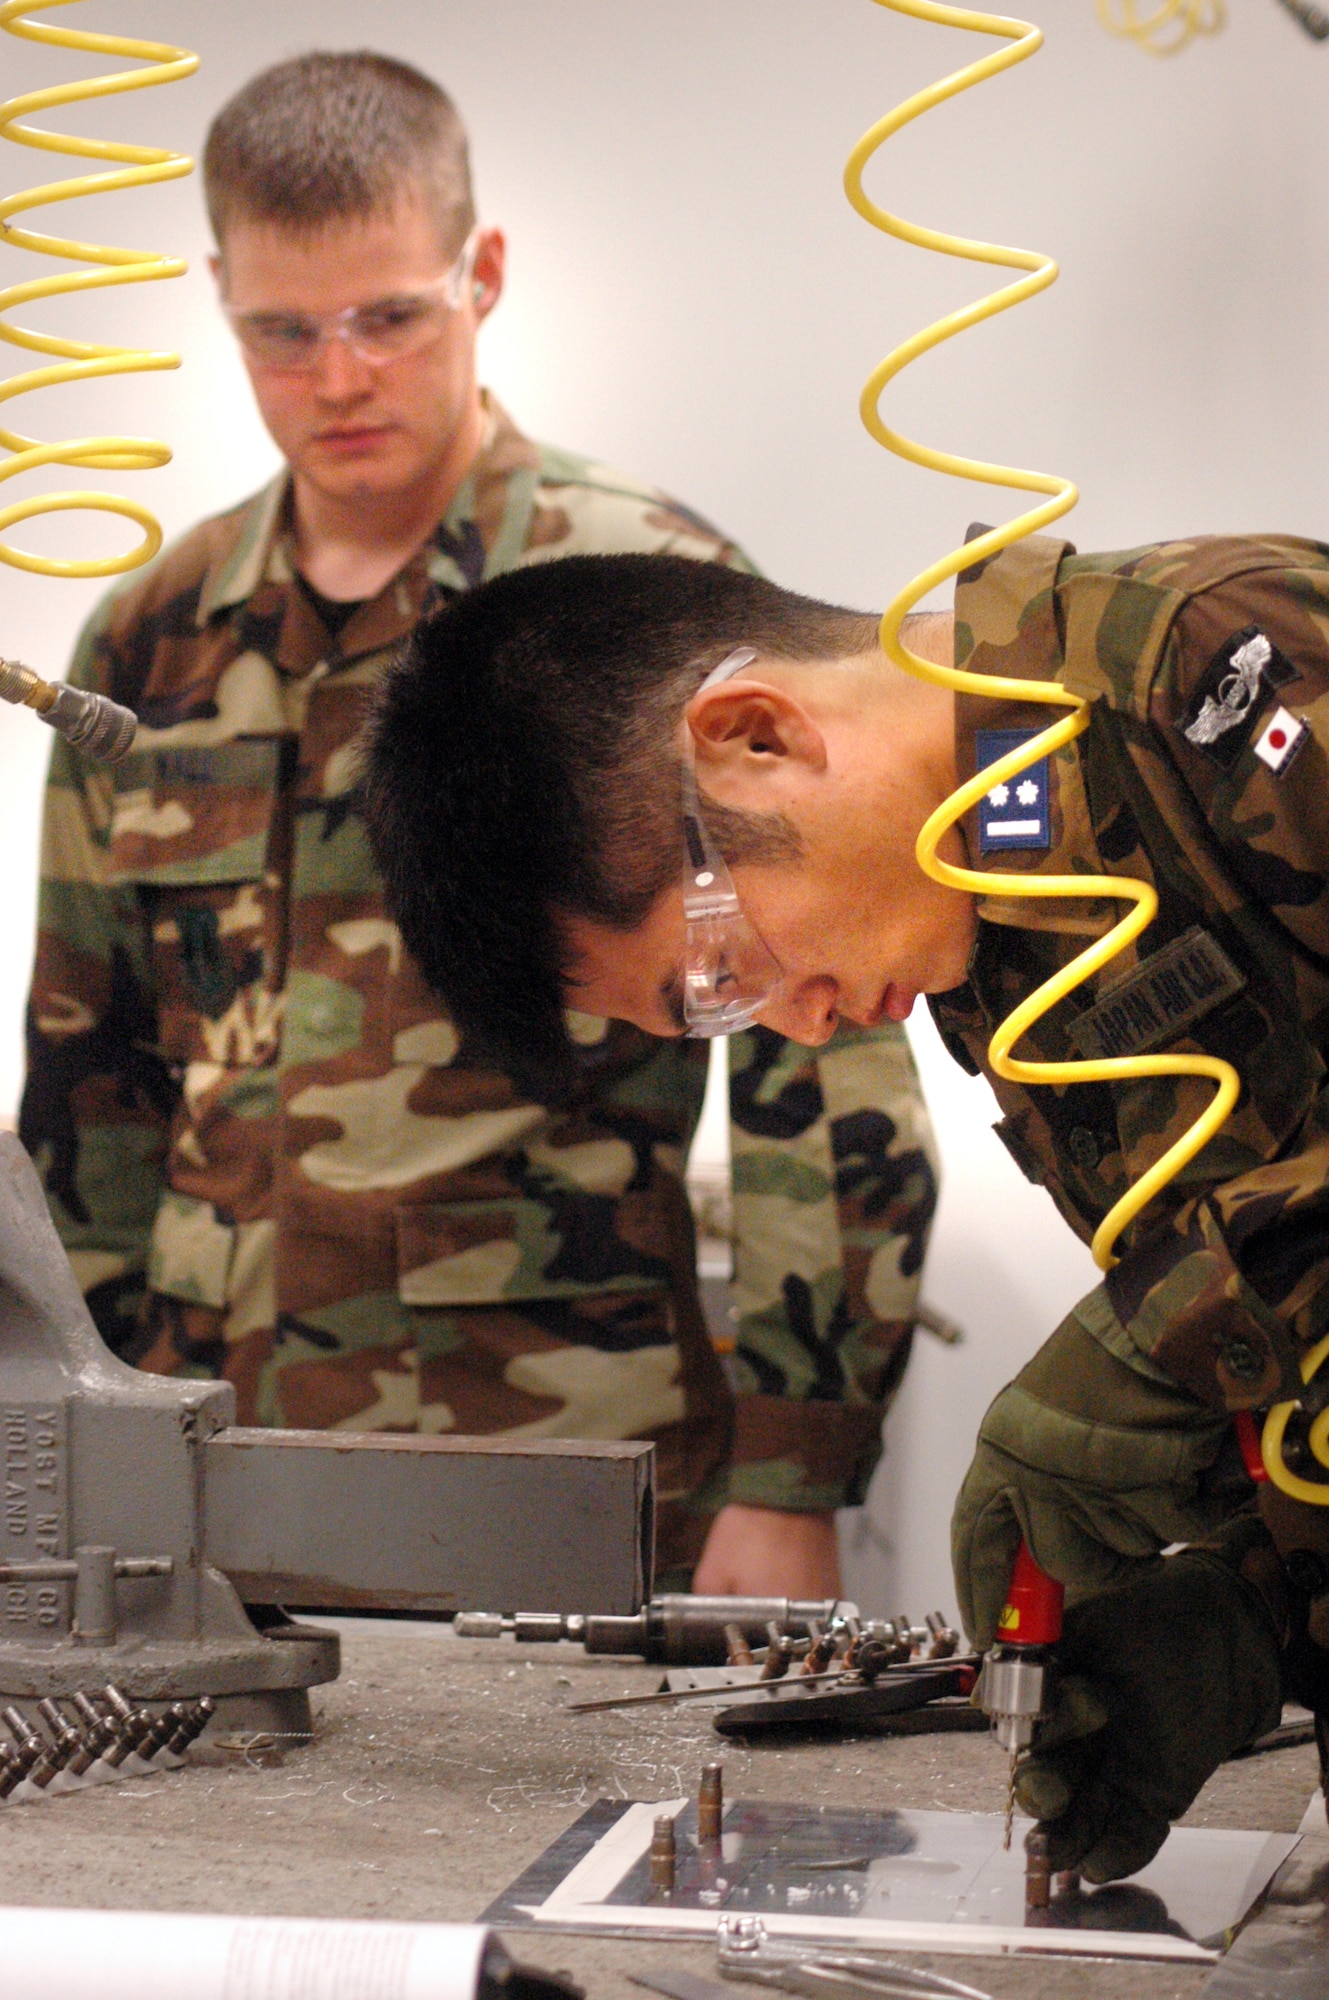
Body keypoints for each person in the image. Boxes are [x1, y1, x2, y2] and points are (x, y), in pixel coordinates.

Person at [19, 51, 939, 1593]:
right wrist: (68, 1440)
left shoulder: (626, 605)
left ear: (481, 275)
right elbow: (86, 1076)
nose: (339, 378)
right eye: (281, 330)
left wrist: (795, 1476)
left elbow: (819, 1049)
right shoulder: (149, 637)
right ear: (220, 300)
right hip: (209, 1463)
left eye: (388, 316)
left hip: (558, 1450)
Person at [362, 529, 1329, 1880]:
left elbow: (1245, 1274)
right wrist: (1259, 1608)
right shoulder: (990, 950)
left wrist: (1178, 1325)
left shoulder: (1208, 661)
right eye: (721, 1021)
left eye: (718, 970)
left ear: (755, 735)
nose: (799, 1028)